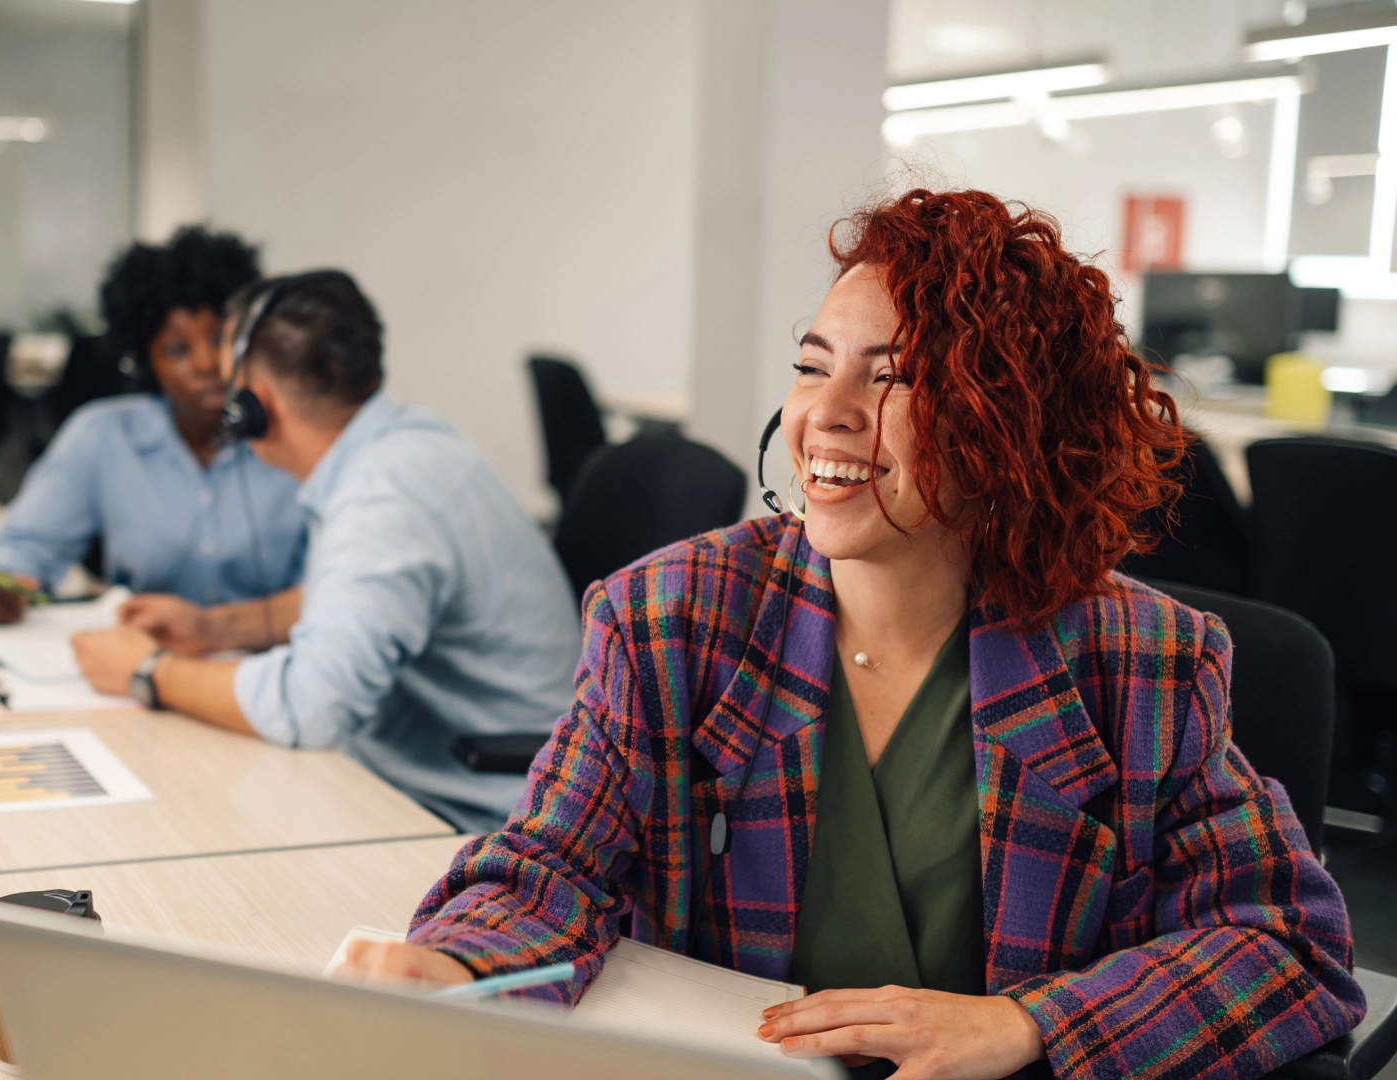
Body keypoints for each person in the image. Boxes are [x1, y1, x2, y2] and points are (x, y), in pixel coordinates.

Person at [334, 190, 1365, 1080]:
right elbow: (548, 866)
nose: (823, 415)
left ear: (1006, 421)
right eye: (812, 364)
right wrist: (458, 962)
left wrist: (1030, 1025)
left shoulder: (1142, 664)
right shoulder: (674, 616)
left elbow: (1291, 943)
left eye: (889, 376)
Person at [69, 271, 581, 832]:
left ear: (251, 405)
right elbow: (359, 600)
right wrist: (215, 629)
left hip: (485, 821)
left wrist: (146, 671)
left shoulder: (383, 494)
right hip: (443, 778)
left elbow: (310, 707)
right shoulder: (406, 438)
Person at [0, 227, 307, 624]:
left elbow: (327, 594)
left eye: (219, 340)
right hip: (133, 658)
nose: (205, 365)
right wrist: (2, 581)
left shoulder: (295, 438)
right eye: (177, 349)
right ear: (144, 361)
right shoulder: (103, 434)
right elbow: (28, 543)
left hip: (264, 671)